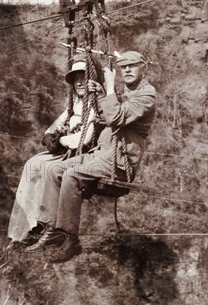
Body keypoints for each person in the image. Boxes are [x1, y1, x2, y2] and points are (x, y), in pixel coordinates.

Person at [27, 51, 156, 262]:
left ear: (144, 69)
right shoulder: (126, 92)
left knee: (72, 175)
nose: (128, 70)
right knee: (54, 170)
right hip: (101, 153)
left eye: (133, 66)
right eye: (124, 67)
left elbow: (115, 117)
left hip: (119, 161)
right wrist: (102, 93)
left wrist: (109, 88)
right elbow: (105, 115)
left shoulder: (147, 95)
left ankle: (70, 239)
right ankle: (50, 228)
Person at [7, 58, 104, 247]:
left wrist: (60, 140)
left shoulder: (96, 106)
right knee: (31, 165)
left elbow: (83, 139)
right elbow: (53, 127)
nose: (79, 82)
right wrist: (50, 136)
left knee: (46, 169)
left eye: (83, 77)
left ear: (92, 81)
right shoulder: (75, 105)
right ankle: (23, 229)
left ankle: (45, 225)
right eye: (76, 78)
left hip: (81, 154)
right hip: (65, 150)